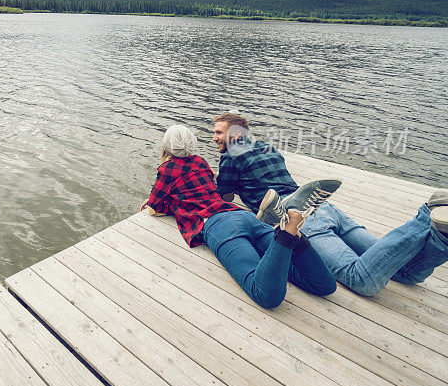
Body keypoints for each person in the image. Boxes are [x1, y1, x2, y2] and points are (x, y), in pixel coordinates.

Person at [212, 112, 448, 297]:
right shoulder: (267, 147)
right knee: (407, 272)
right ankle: (441, 235)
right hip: (322, 206)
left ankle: (426, 216)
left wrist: (218, 182)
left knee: (360, 279)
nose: (214, 138)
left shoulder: (231, 154)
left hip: (297, 216)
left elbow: (226, 198)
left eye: (218, 133)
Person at [140, 124, 336, 309]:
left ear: (166, 146)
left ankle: (287, 232)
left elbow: (154, 207)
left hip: (219, 226)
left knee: (264, 294)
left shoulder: (166, 169)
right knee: (323, 286)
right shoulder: (200, 162)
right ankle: (292, 232)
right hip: (245, 217)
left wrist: (159, 204)